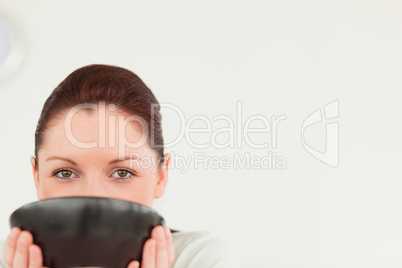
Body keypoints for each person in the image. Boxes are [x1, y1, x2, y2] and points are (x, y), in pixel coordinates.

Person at [0, 64, 241, 268]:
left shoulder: (202, 259)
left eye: (122, 172)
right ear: (37, 178)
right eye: (65, 173)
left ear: (160, 176)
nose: (92, 197)